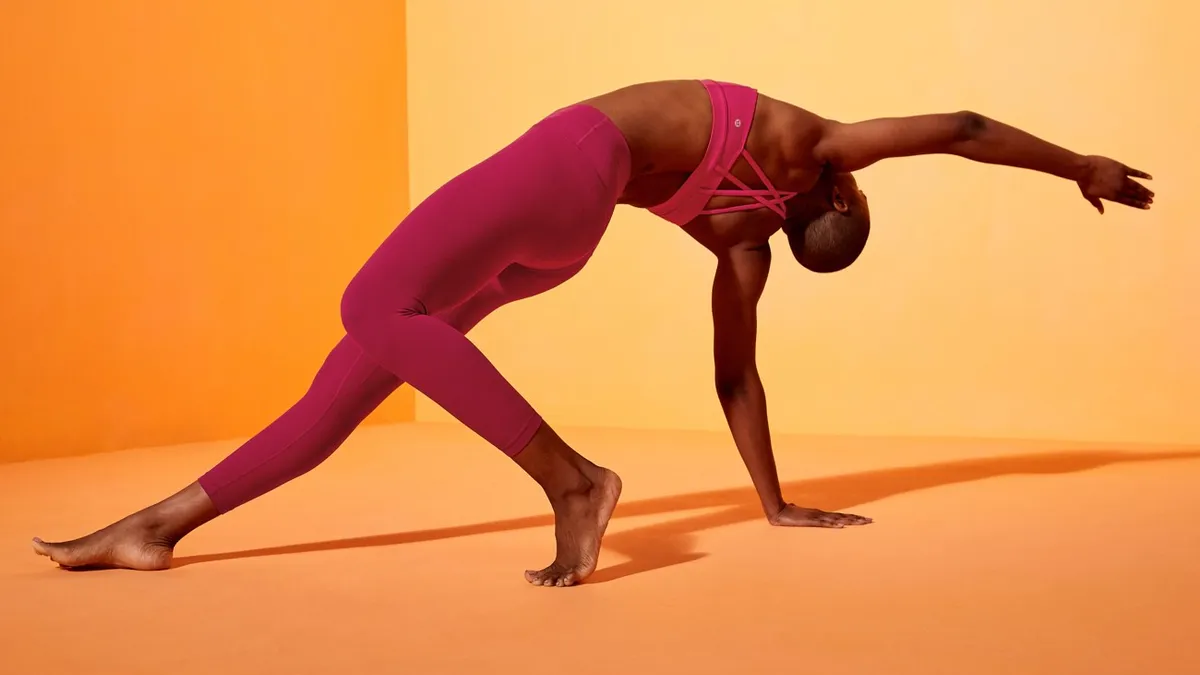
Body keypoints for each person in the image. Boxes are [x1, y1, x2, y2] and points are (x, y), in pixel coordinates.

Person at [32, 79, 1153, 587]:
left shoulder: (821, 142)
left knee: (370, 309)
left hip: (570, 175)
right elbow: (735, 376)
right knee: (355, 375)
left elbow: (957, 126)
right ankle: (158, 525)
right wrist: (770, 501)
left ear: (848, 197)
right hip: (558, 251)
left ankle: (573, 483)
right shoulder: (744, 254)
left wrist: (1080, 167)